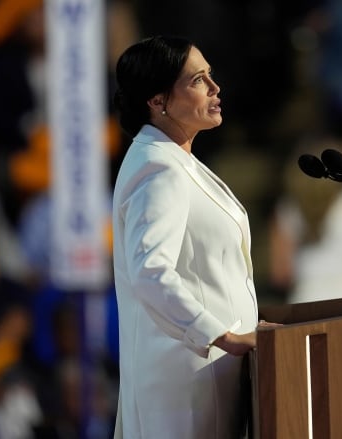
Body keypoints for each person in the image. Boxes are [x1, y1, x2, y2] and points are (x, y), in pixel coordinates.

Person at [111, 35, 270, 438]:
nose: (216, 89)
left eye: (211, 76)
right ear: (158, 101)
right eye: (199, 80)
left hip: (206, 374)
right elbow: (150, 271)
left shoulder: (173, 158)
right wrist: (221, 334)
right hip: (189, 383)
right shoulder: (159, 169)